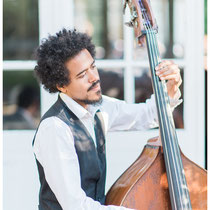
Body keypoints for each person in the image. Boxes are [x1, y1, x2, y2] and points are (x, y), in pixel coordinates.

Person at [32, 28, 182, 210]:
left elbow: (148, 115)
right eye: (82, 75)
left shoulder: (100, 107)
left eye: (93, 67)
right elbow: (75, 205)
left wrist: (171, 87)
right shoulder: (55, 128)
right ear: (62, 85)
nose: (94, 78)